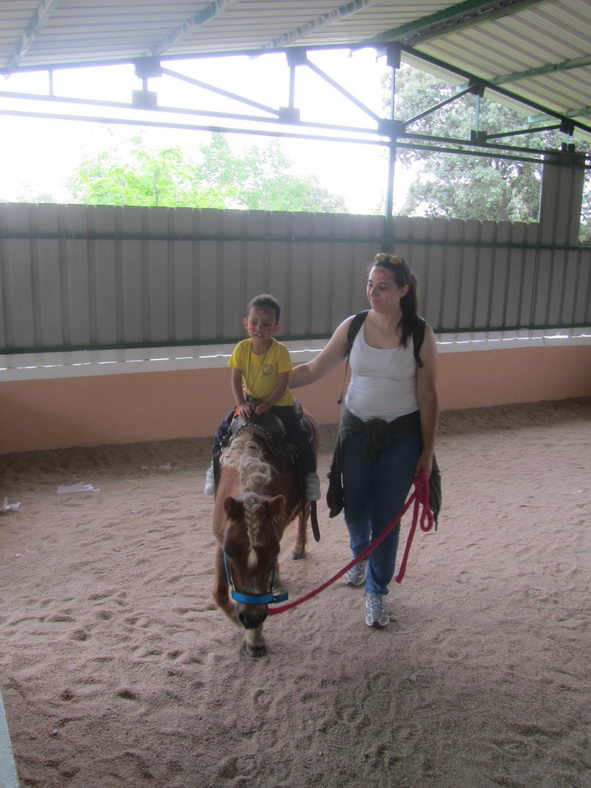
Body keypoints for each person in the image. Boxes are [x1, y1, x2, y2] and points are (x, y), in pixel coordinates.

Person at [290, 253, 438, 628]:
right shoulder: (354, 326)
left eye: (384, 286)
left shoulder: (419, 332)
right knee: (355, 507)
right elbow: (314, 368)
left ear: (403, 289)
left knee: (385, 517)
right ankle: (360, 556)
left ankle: (376, 591)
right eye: (371, 284)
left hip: (401, 435)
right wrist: (268, 382)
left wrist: (427, 451)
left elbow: (428, 397)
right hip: (355, 430)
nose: (374, 292)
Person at [204, 293, 321, 501]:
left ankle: (310, 477)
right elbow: (235, 379)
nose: (259, 328)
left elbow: (283, 382)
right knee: (221, 432)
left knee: (300, 437)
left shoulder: (280, 352)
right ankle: (213, 474)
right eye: (254, 323)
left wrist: (269, 403)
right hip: (249, 401)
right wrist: (241, 403)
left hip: (279, 403)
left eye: (267, 324)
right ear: (246, 323)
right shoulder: (241, 349)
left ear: (276, 327)